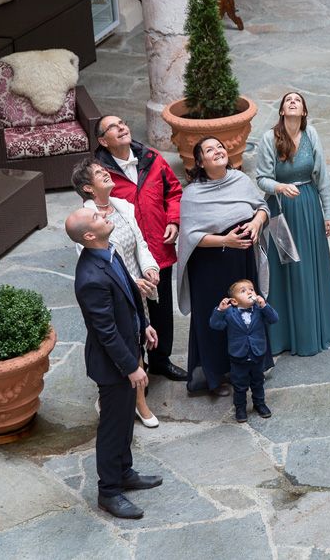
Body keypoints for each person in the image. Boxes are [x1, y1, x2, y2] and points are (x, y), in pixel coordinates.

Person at [65, 207, 162, 520]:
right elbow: (105, 332)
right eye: (94, 219)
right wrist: (131, 366)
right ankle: (108, 491)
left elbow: (130, 296)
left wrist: (143, 325)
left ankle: (124, 472)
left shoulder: (110, 252)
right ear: (89, 236)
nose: (101, 216)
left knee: (123, 423)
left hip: (128, 346)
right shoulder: (90, 277)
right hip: (112, 365)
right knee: (112, 426)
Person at [176, 136, 281, 397]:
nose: (218, 150)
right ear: (200, 162)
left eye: (220, 146)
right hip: (210, 266)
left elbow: (262, 207)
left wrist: (257, 223)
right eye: (209, 149)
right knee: (217, 318)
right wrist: (225, 240)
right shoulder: (192, 194)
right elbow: (189, 237)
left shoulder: (241, 180)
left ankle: (249, 367)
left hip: (242, 261)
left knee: (249, 311)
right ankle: (216, 376)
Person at [94, 115, 187, 382]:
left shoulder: (152, 158)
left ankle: (161, 360)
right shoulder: (99, 173)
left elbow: (173, 192)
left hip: (159, 247)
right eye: (113, 126)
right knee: (131, 311)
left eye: (123, 123)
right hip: (124, 256)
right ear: (103, 140)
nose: (122, 127)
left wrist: (173, 220)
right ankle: (138, 367)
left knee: (161, 307)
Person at [72, 159, 162, 428]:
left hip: (138, 289)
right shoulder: (86, 221)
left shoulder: (123, 206)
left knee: (137, 336)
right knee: (124, 341)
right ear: (88, 188)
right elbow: (99, 265)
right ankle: (138, 403)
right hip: (118, 290)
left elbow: (140, 243)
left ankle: (126, 394)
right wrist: (131, 282)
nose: (107, 174)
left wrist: (149, 268)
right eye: (100, 174)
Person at [255, 91, 330, 356]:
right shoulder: (270, 138)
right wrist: (279, 187)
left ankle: (319, 329)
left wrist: (329, 213)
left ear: (303, 111)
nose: (292, 102)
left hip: (308, 206)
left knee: (311, 264)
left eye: (298, 101)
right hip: (281, 211)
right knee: (288, 266)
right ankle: (287, 336)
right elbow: (261, 179)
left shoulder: (311, 135)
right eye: (288, 100)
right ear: (282, 110)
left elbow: (322, 177)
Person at [209, 279, 278, 423]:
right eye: (243, 291)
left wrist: (265, 305)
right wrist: (220, 310)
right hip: (238, 356)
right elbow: (216, 325)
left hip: (257, 354)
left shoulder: (259, 310)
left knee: (258, 381)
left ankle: (260, 404)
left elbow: (274, 319)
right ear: (234, 301)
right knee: (239, 385)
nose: (249, 292)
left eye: (251, 289)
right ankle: (240, 408)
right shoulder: (229, 313)